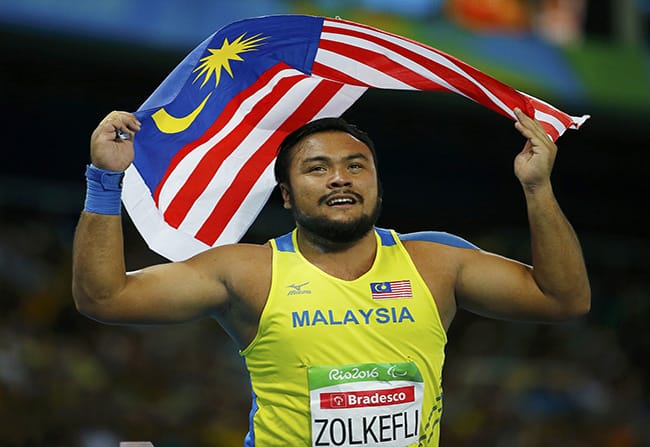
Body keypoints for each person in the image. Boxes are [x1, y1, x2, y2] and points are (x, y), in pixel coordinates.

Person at [72, 108, 590, 447]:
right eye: (317, 168)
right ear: (287, 196)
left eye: (356, 166)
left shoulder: (436, 261)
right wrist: (104, 180)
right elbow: (105, 297)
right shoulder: (247, 271)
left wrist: (538, 188)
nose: (340, 176)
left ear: (377, 186)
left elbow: (564, 299)